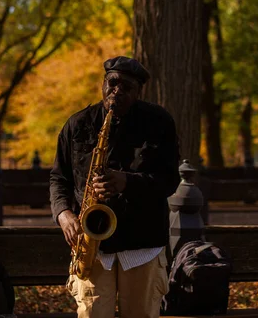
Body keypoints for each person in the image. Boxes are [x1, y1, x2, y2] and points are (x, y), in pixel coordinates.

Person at [50, 56, 180, 318]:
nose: (117, 91)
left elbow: (169, 180)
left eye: (127, 87)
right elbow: (58, 178)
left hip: (143, 245)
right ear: (103, 82)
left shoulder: (158, 122)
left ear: (138, 91)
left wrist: (127, 182)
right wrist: (63, 213)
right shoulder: (77, 124)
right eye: (112, 83)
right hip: (93, 248)